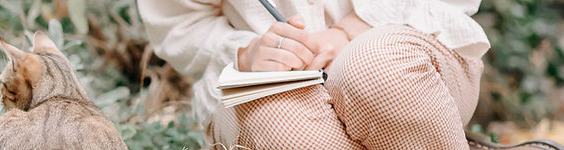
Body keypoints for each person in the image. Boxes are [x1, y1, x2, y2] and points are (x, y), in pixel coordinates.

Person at [138, 0, 490, 149]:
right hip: (268, 84)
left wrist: (349, 31)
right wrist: (245, 52)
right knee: (277, 121)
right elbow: (179, 23)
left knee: (376, 69)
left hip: (403, 51)